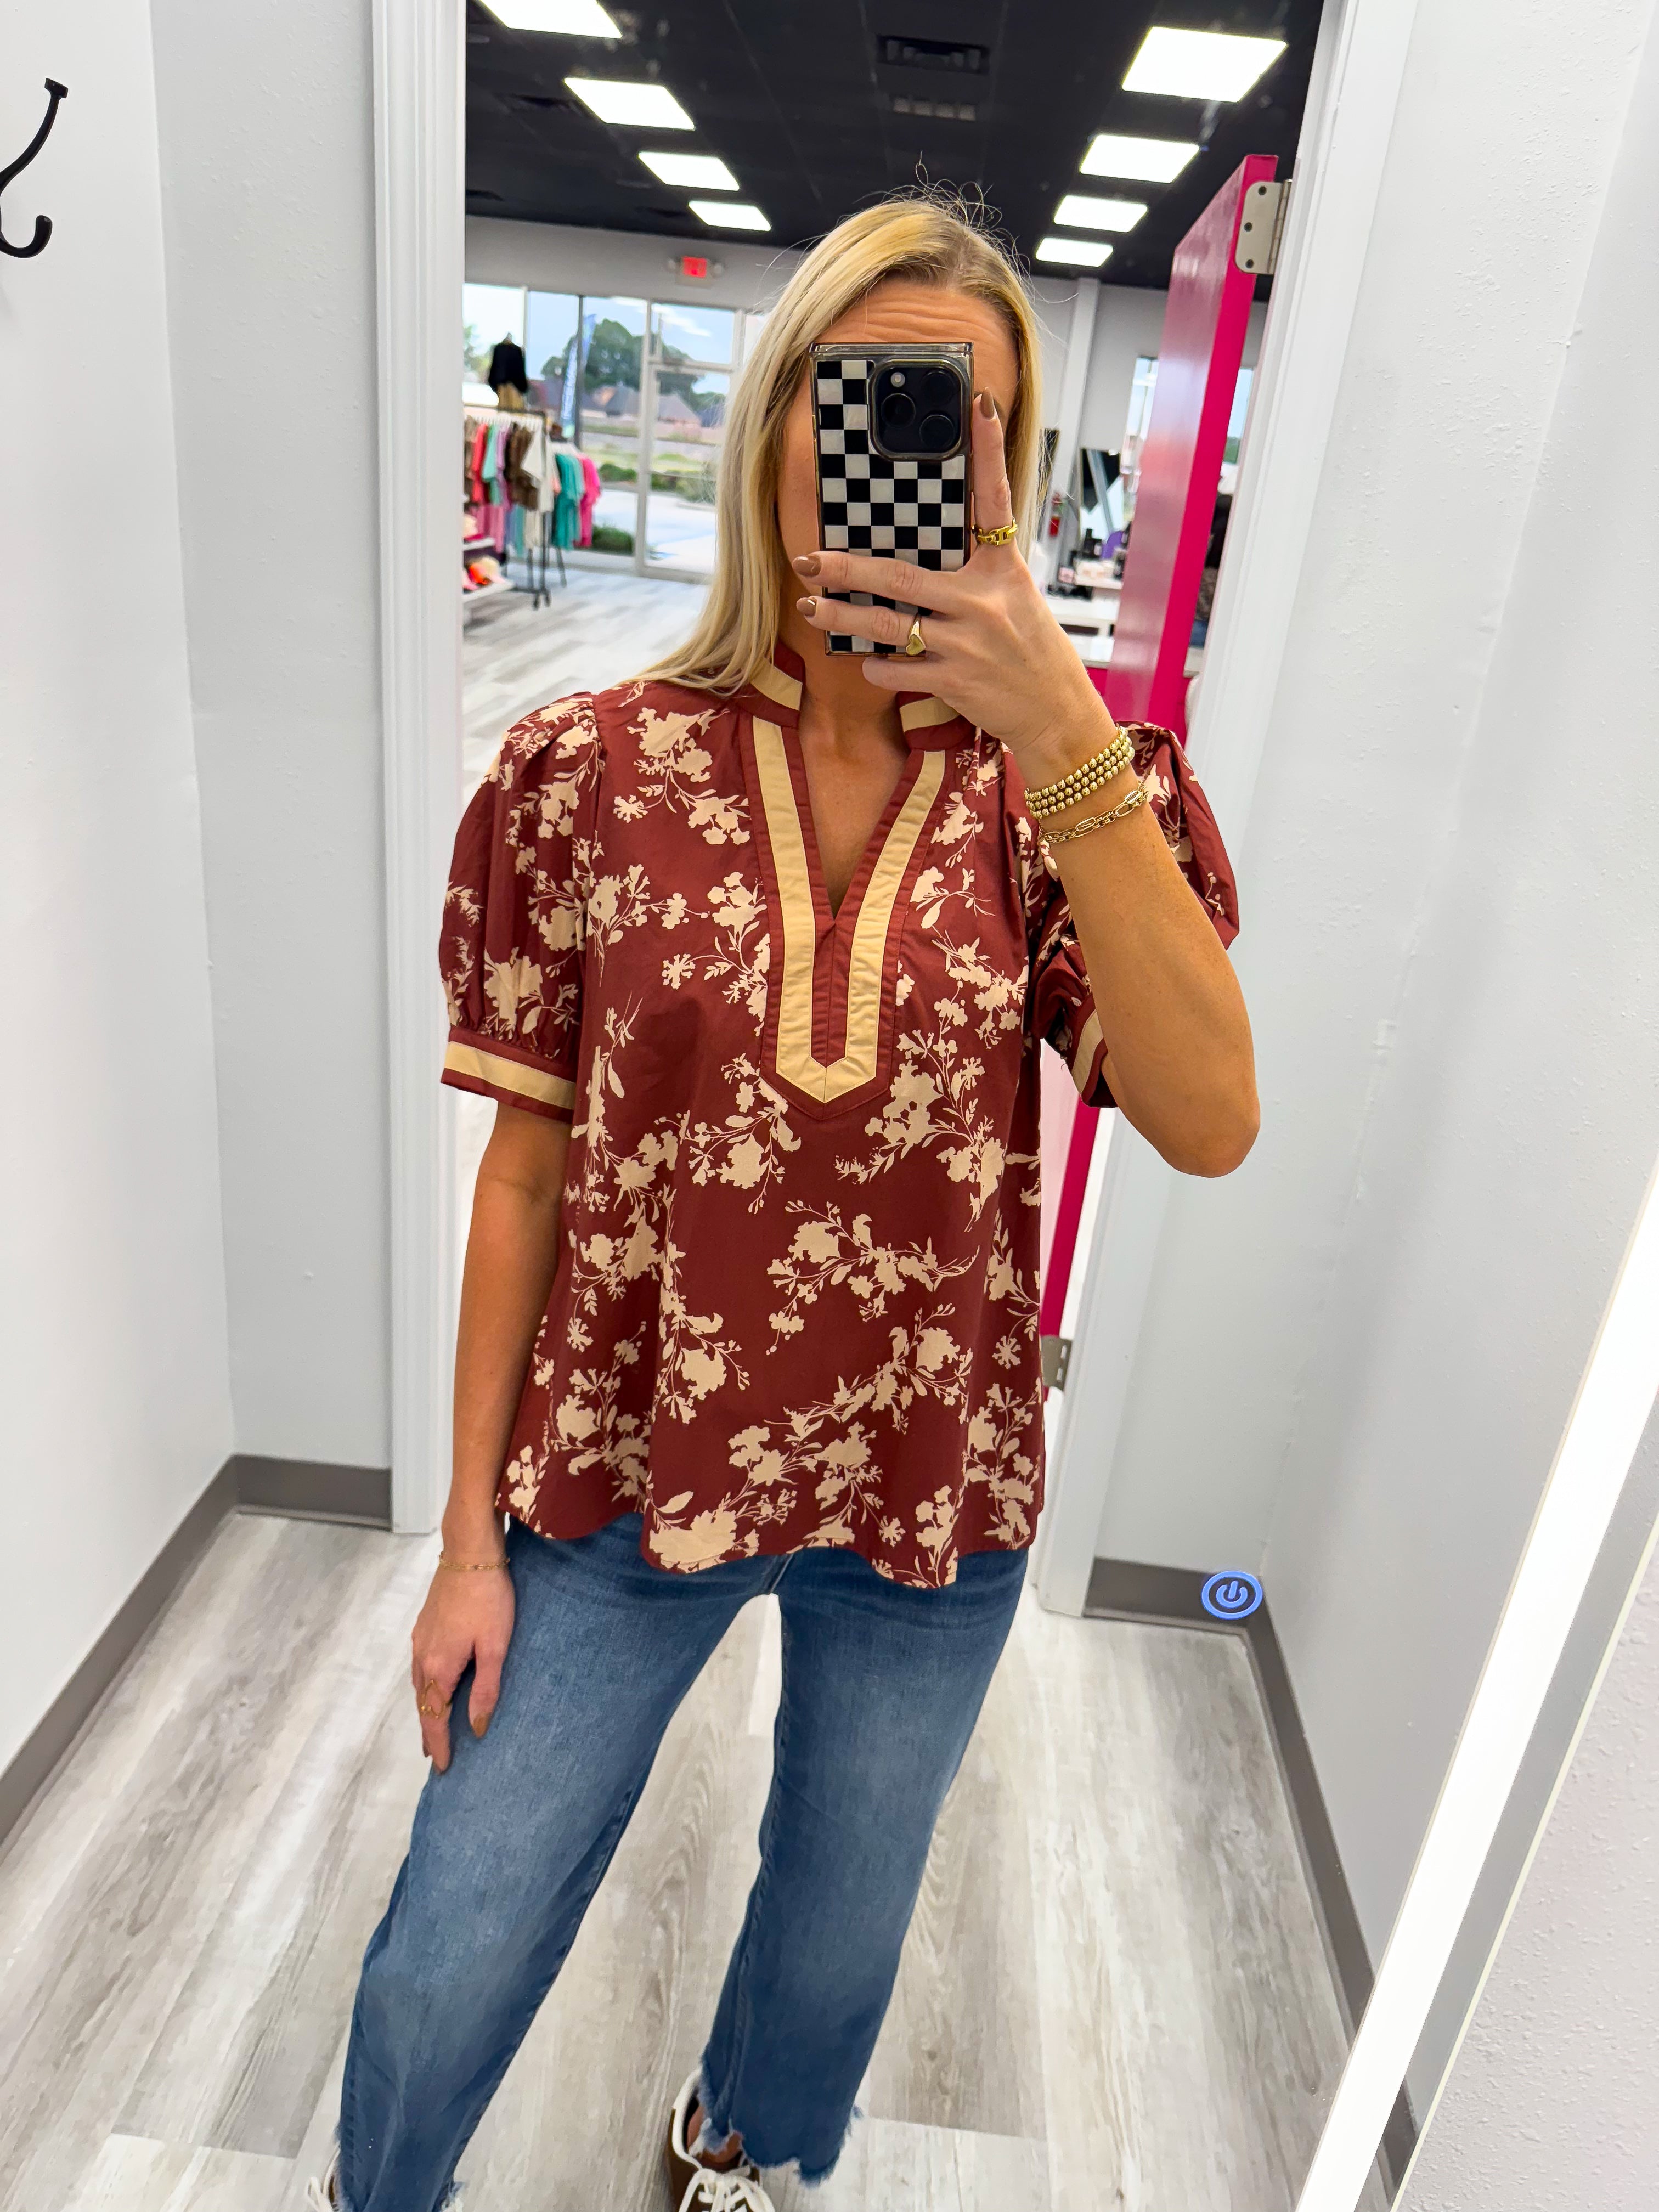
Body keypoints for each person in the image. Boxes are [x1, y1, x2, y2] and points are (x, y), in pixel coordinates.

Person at [310, 193, 1257, 2212]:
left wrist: (1065, 727)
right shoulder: (585, 772)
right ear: (773, 435)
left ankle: (738, 2149)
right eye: (860, 396)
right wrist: (466, 1540)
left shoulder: (1060, 801)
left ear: (1006, 469)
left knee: (839, 1930)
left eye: (961, 418)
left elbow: (1209, 1117)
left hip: (926, 1482)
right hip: (622, 1464)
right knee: (459, 1926)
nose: (902, 453)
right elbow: (526, 1173)